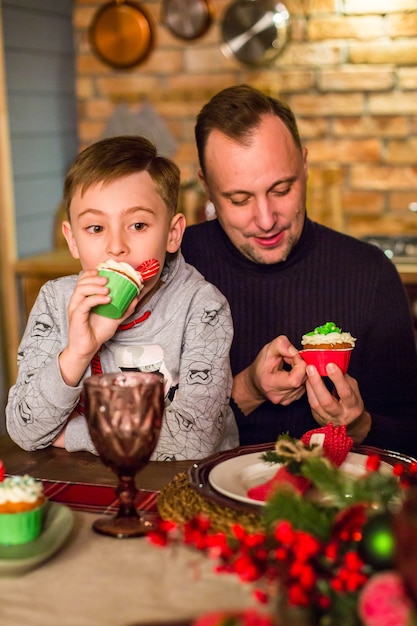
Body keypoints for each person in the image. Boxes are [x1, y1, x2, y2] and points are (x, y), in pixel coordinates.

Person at [181, 83, 417, 457]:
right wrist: (246, 390)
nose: (265, 219)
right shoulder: (178, 265)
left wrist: (360, 425)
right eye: (239, 199)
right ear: (208, 188)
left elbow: (411, 432)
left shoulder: (369, 274)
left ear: (304, 166)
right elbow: (150, 427)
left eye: (282, 189)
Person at [6, 135, 238, 460]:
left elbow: (195, 438)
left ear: (172, 234)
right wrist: (78, 352)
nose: (116, 247)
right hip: (86, 485)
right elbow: (24, 429)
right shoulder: (55, 301)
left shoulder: (202, 307)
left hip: (179, 491)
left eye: (138, 224)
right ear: (72, 240)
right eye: (96, 229)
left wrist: (73, 433)